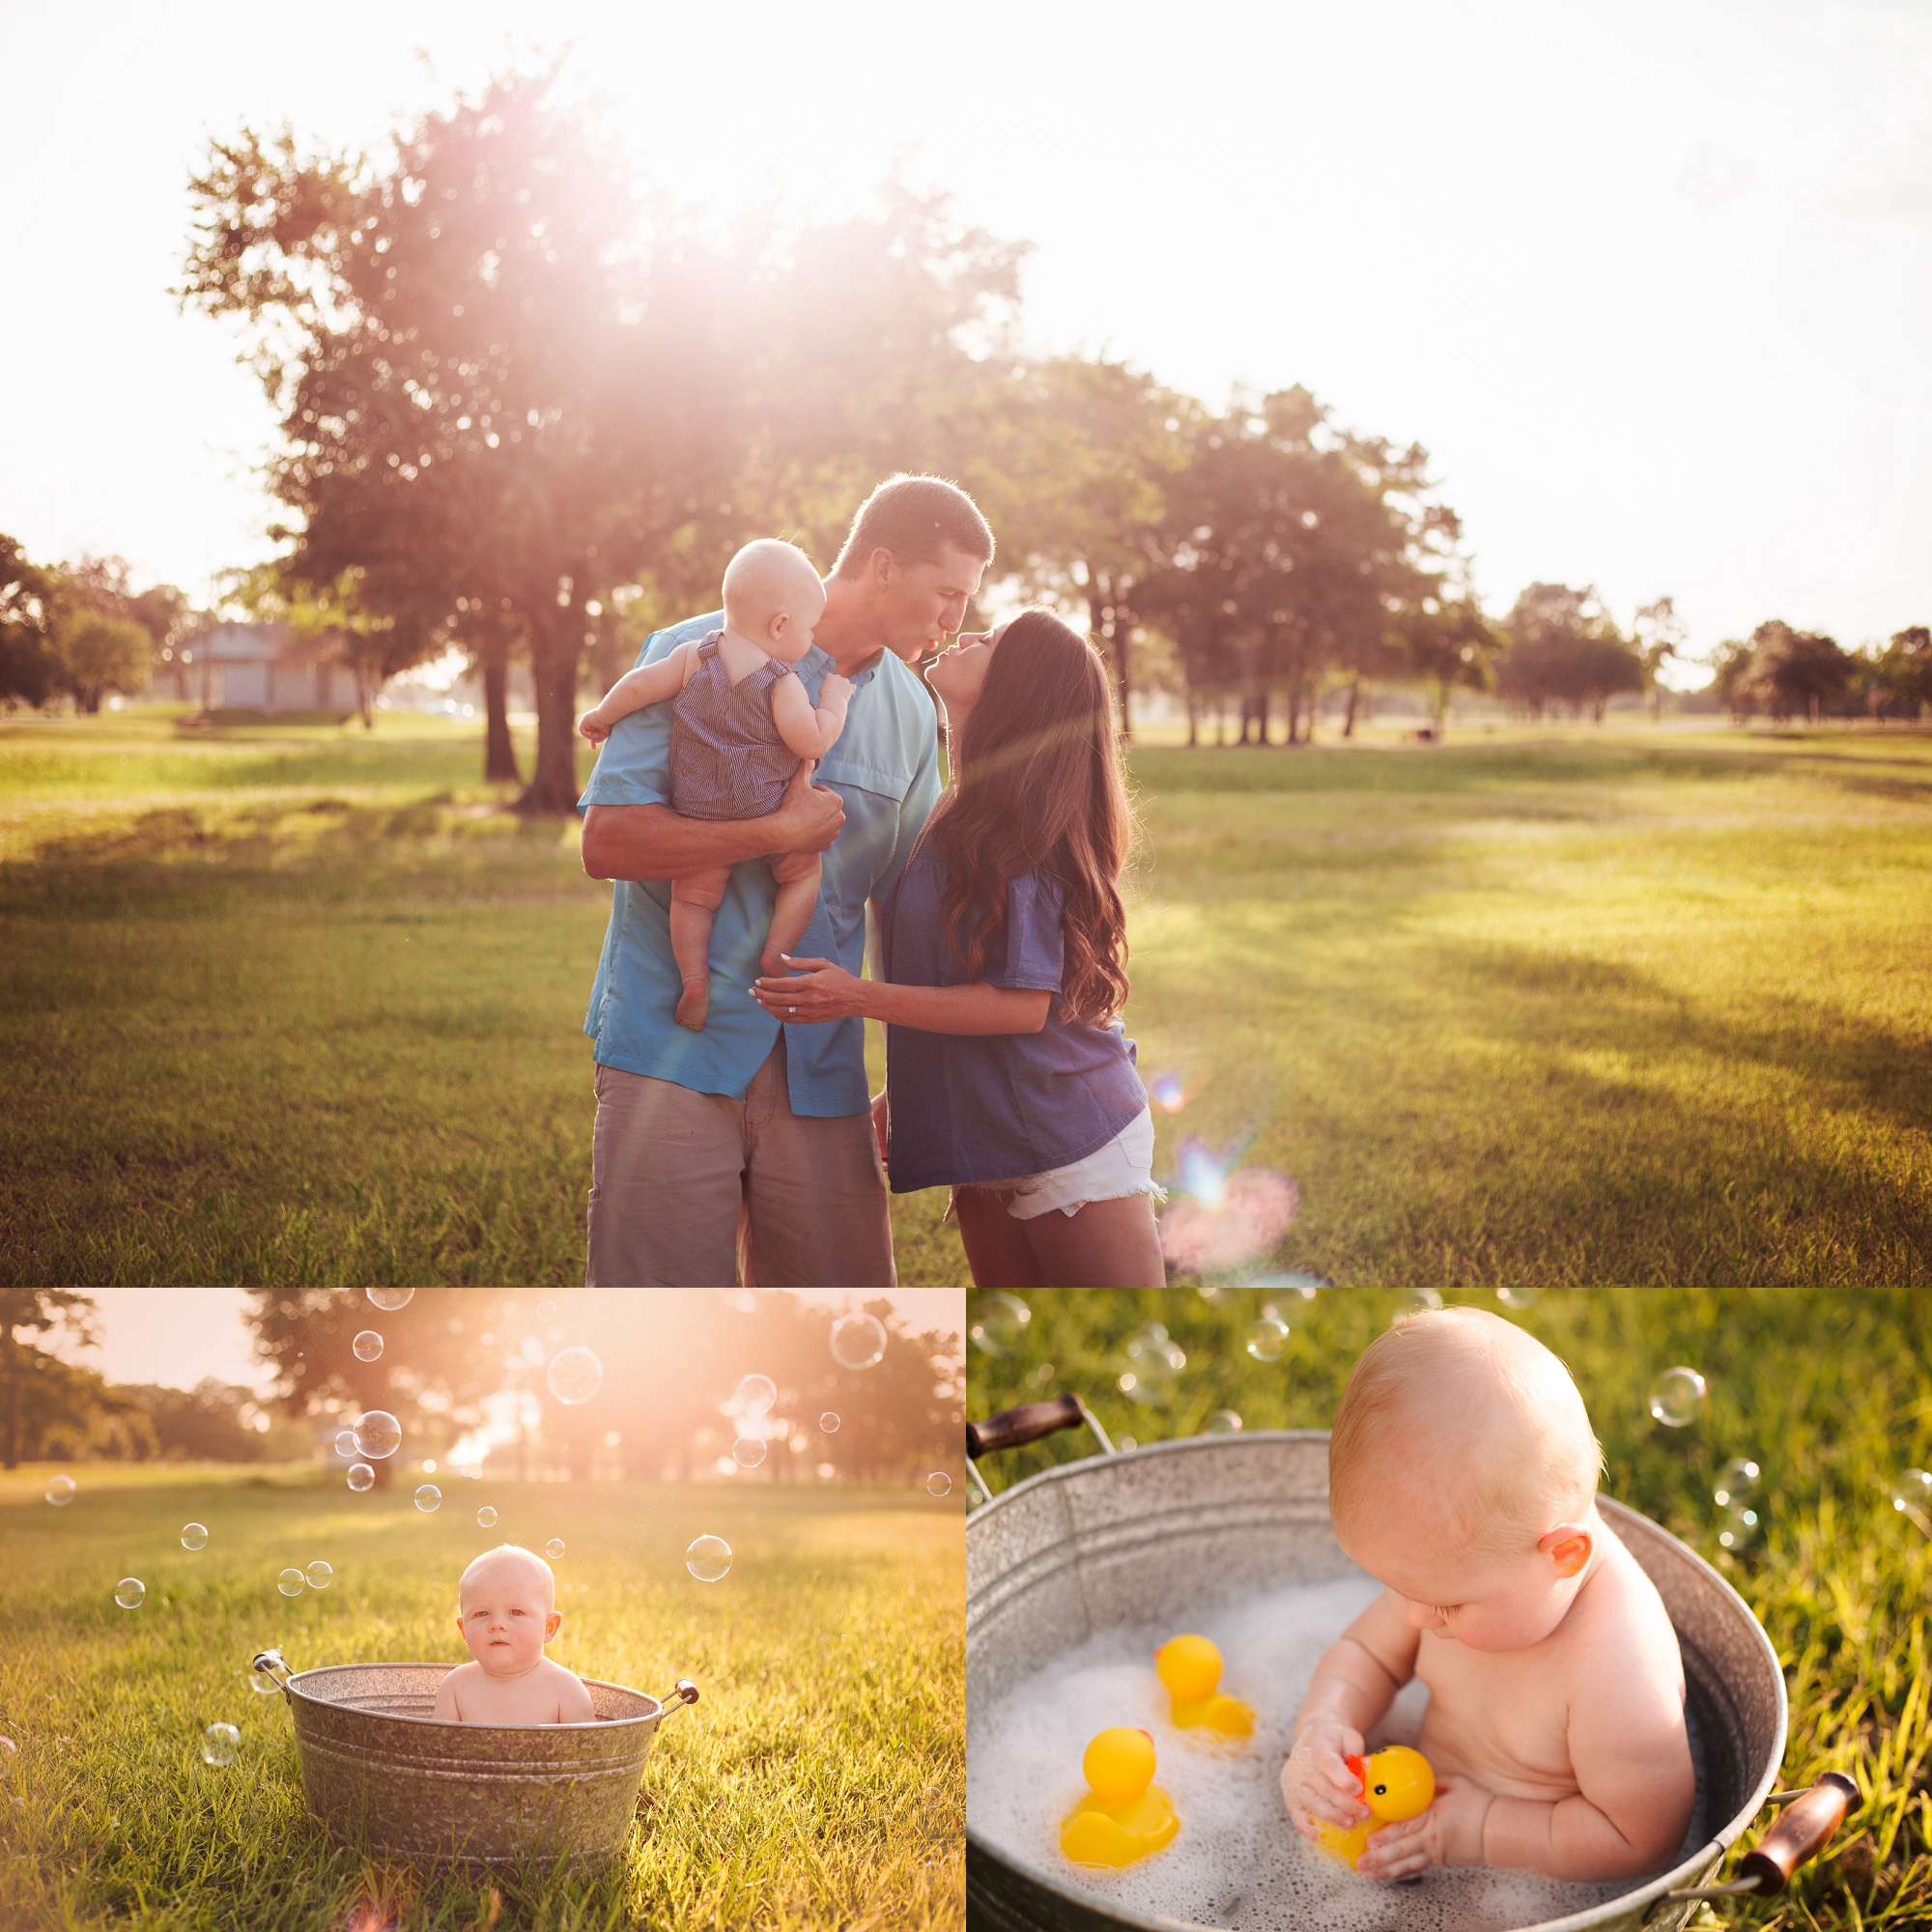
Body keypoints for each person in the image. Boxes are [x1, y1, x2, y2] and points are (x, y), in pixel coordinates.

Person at [578, 472, 994, 1288]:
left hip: (822, 1073)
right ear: (881, 566)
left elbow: (905, 915)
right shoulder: (692, 652)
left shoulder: (914, 713)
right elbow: (608, 841)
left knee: (842, 1341)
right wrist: (772, 833)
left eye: (967, 601)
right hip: (673, 1053)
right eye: (947, 593)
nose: (957, 622)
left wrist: (914, 1084)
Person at [751, 610, 1166, 1288]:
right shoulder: (955, 805)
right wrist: (908, 1086)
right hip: (984, 1142)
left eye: (992, 641)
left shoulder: (1023, 825)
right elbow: (955, 972)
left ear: (1019, 688)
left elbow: (1020, 1006)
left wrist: (854, 997)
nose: (968, 633)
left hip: (1071, 1140)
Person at [1279, 1307, 1695, 1881]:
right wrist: (1322, 1725)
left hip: (1528, 1886)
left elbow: (1642, 1839)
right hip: (1413, 1836)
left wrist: (1482, 1830)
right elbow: (1366, 1655)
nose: (1415, 1617)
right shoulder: (1455, 1578)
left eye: (1446, 1605)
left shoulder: (1619, 1666)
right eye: (1400, 1589)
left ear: (1563, 1557)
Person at [578, 539, 851, 1031]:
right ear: (780, 625)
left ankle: (694, 981)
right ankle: (774, 954)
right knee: (802, 874)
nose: (812, 640)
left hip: (700, 812)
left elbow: (640, 687)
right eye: (810, 629)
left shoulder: (694, 658)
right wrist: (834, 701)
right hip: (767, 809)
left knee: (693, 899)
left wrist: (602, 715)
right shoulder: (781, 681)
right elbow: (811, 741)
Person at [431, 1545, 596, 1725]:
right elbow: (437, 1750)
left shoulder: (565, 1689)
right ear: (463, 1630)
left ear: (549, 1627)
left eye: (516, 1612)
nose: (497, 1625)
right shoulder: (456, 1687)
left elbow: (587, 1751)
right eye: (481, 1613)